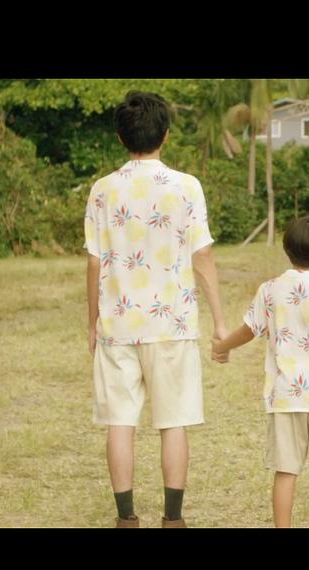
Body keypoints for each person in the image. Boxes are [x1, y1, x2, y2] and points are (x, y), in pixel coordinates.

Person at [83, 91, 229, 528]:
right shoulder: (186, 187)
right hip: (172, 322)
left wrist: (92, 322)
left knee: (120, 422)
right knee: (174, 422)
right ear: (165, 134)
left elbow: (94, 262)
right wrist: (220, 321)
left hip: (117, 322)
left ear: (120, 136)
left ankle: (126, 518)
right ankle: (173, 518)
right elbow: (202, 256)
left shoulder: (102, 190)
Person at [212, 217, 309, 527]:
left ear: (287, 249)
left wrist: (222, 346)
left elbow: (248, 330)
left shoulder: (269, 291)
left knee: (286, 471)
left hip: (286, 395)